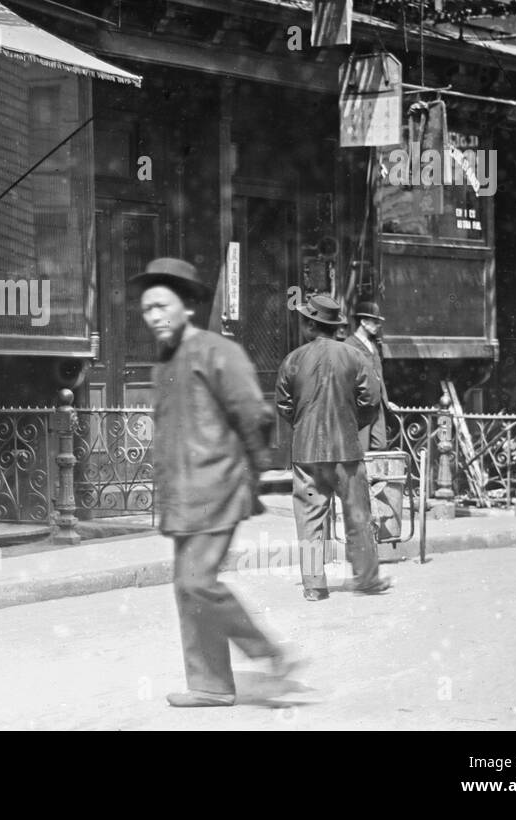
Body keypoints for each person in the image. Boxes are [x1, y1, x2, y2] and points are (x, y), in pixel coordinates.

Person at [131, 257, 300, 708]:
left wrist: (255, 475)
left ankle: (269, 653)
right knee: (187, 587)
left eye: (162, 305)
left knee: (196, 582)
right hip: (184, 495)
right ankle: (209, 684)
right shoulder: (163, 365)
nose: (154, 316)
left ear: (187, 306)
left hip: (219, 487)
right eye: (147, 309)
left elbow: (253, 415)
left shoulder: (218, 352)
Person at [276, 293, 390, 601]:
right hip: (346, 456)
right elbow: (371, 401)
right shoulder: (356, 357)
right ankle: (367, 579)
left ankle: (314, 586)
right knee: (357, 516)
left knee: (310, 518)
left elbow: (284, 406)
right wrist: (352, 424)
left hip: (307, 458)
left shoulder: (293, 359)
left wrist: (303, 427)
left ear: (311, 325)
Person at [346, 301, 391, 451]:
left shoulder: (374, 345)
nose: (378, 325)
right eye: (375, 322)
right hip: (361, 405)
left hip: (377, 405)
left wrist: (386, 399)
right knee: (361, 447)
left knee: (380, 444)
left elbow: (379, 375)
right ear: (364, 322)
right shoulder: (349, 345)